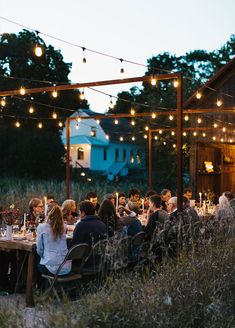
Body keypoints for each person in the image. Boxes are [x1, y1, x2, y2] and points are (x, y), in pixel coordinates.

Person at [36, 205, 72, 276]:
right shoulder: (64, 227)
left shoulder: (41, 227)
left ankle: (41, 286)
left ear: (47, 214)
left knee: (37, 261)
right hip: (67, 267)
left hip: (52, 268)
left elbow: (40, 250)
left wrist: (44, 256)